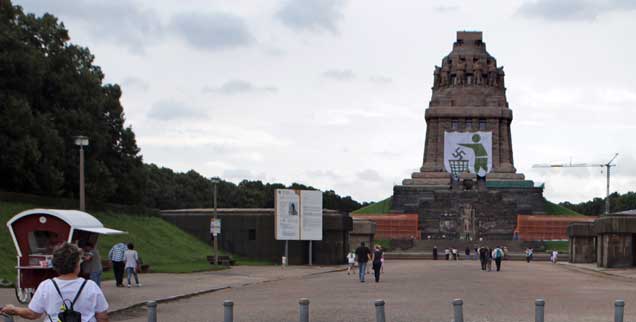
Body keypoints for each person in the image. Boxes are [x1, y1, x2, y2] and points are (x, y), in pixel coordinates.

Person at [1, 242, 109, 321]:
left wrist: (14, 309)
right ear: (77, 265)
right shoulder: (90, 286)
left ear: (56, 266)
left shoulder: (46, 286)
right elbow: (102, 317)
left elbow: (32, 314)